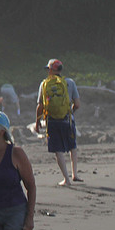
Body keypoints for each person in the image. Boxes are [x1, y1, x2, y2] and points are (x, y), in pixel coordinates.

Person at [34, 58, 81, 186]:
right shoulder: (70, 82)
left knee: (58, 150)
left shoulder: (44, 84)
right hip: (68, 120)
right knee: (72, 146)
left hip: (52, 121)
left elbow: (40, 107)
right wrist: (70, 112)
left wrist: (37, 123)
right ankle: (75, 174)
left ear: (50, 70)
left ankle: (66, 179)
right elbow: (77, 104)